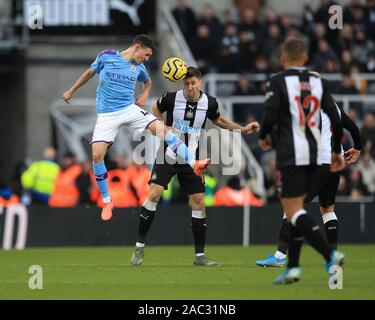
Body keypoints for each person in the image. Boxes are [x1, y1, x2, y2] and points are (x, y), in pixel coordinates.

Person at [62, 34, 210, 221]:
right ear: (137, 47)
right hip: (107, 115)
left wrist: (144, 94)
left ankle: (194, 163)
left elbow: (147, 82)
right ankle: (107, 201)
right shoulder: (106, 56)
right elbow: (89, 73)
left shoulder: (139, 67)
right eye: (146, 54)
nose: (146, 59)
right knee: (97, 155)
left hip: (129, 109)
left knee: (163, 130)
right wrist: (71, 90)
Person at [130, 67, 259, 266]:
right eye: (186, 84)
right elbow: (155, 108)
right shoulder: (171, 98)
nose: (189, 88)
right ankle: (139, 247)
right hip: (168, 154)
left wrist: (242, 129)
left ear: (200, 83)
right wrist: (163, 126)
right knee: (154, 194)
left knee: (198, 201)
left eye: (193, 83)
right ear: (182, 84)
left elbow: (219, 120)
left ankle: (199, 256)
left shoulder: (210, 103)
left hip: (192, 159)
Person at [258, 38, 346, 284]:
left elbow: (269, 115)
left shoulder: (278, 81)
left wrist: (264, 136)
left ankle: (330, 253)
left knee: (293, 210)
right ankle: (293, 266)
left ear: (282, 59)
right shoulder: (320, 83)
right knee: (298, 209)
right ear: (306, 59)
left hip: (292, 154)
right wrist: (337, 150)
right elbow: (337, 121)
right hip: (319, 154)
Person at [256, 101, 362, 267]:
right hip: (335, 162)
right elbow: (353, 128)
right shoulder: (333, 106)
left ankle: (279, 256)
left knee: (293, 206)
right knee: (327, 209)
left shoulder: (307, 106)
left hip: (318, 162)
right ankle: (333, 256)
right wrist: (358, 148)